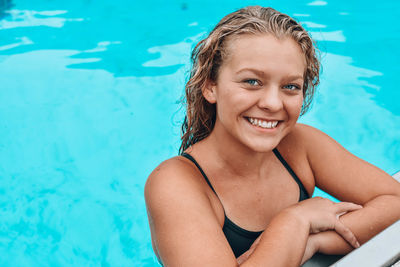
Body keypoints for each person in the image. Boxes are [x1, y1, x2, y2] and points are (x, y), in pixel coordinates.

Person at [144, 6, 400, 266]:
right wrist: (294, 222)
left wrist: (314, 241)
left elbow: (395, 201)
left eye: (290, 86)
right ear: (211, 85)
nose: (273, 103)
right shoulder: (175, 183)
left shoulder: (299, 145)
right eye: (252, 81)